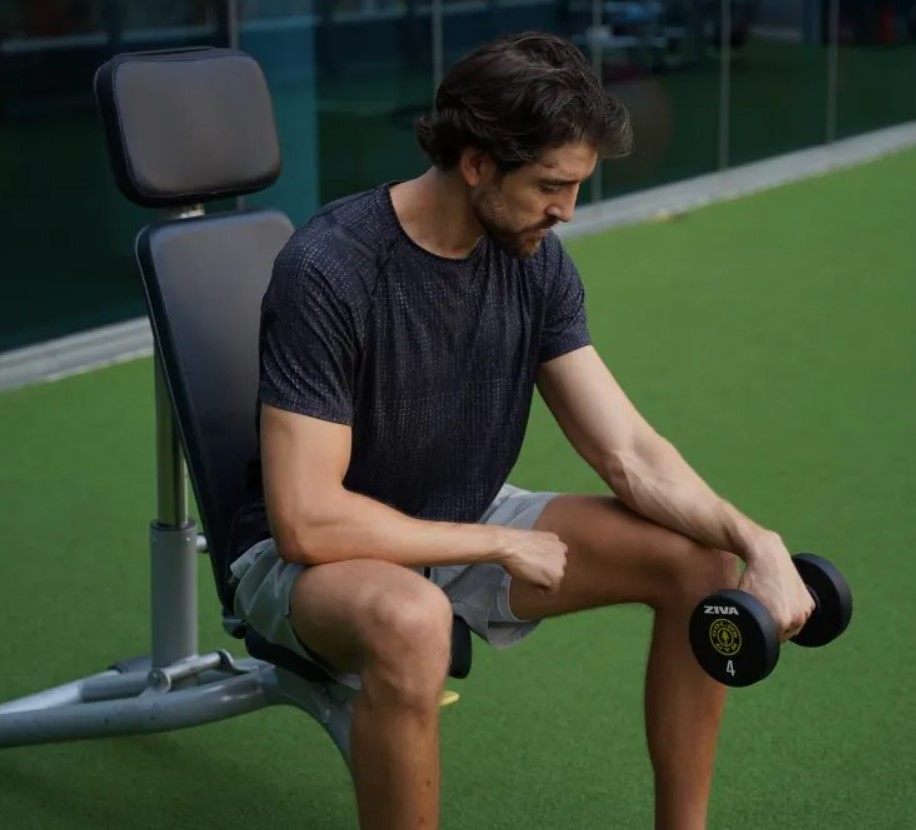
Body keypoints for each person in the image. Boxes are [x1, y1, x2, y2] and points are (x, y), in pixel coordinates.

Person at [227, 31, 814, 830]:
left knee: (699, 559)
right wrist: (496, 545)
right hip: (311, 561)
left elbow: (629, 452)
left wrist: (758, 540)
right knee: (411, 618)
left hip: (458, 510)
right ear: (475, 163)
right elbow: (306, 521)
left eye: (575, 187)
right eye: (549, 185)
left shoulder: (532, 260)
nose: (565, 211)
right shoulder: (332, 270)